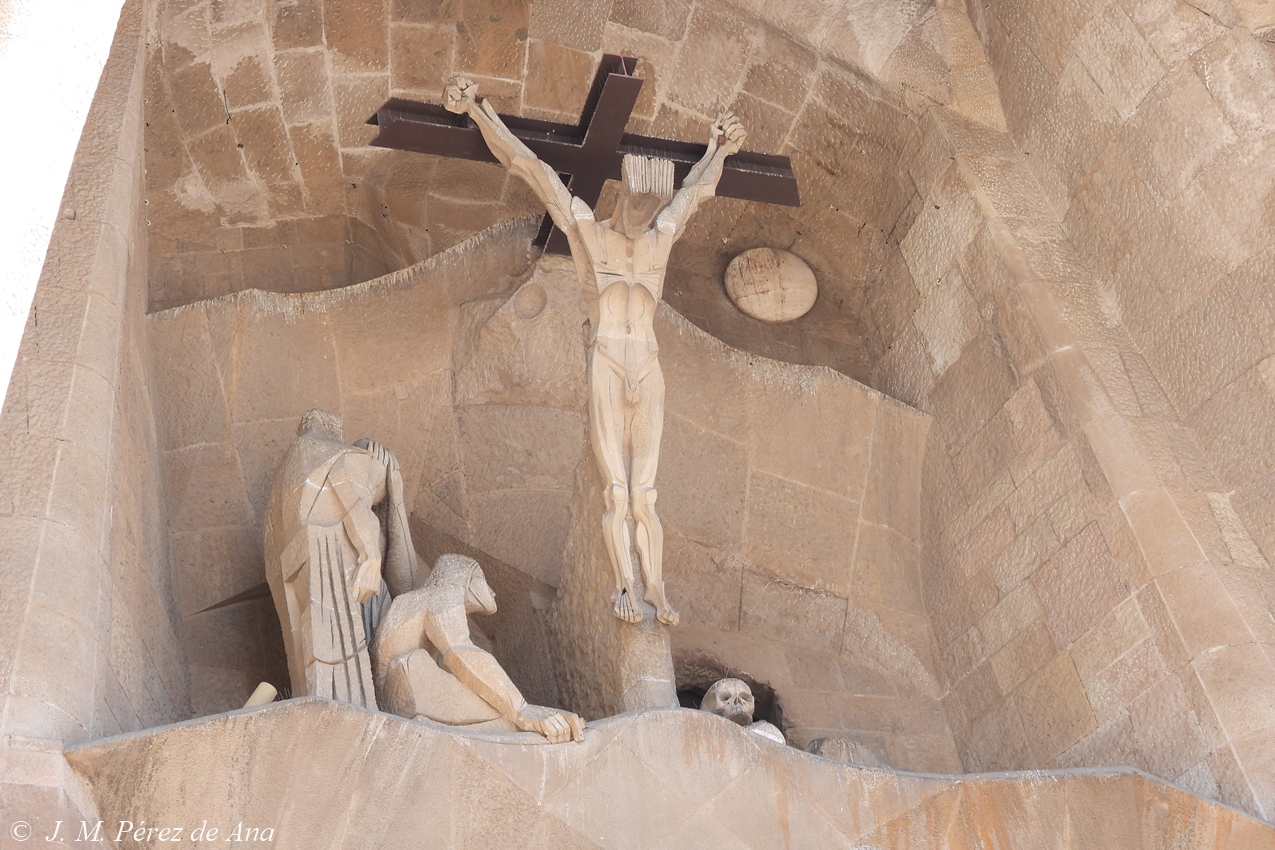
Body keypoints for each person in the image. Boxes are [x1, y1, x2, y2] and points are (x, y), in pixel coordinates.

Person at [443, 75, 746, 626]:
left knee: (646, 496)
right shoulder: (589, 231)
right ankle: (624, 584)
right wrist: (480, 110)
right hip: (606, 362)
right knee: (617, 491)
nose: (643, 220)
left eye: (650, 213)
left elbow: (696, 193)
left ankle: (657, 590)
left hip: (647, 368)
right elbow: (530, 168)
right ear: (623, 200)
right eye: (637, 209)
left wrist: (718, 149)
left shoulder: (660, 236)